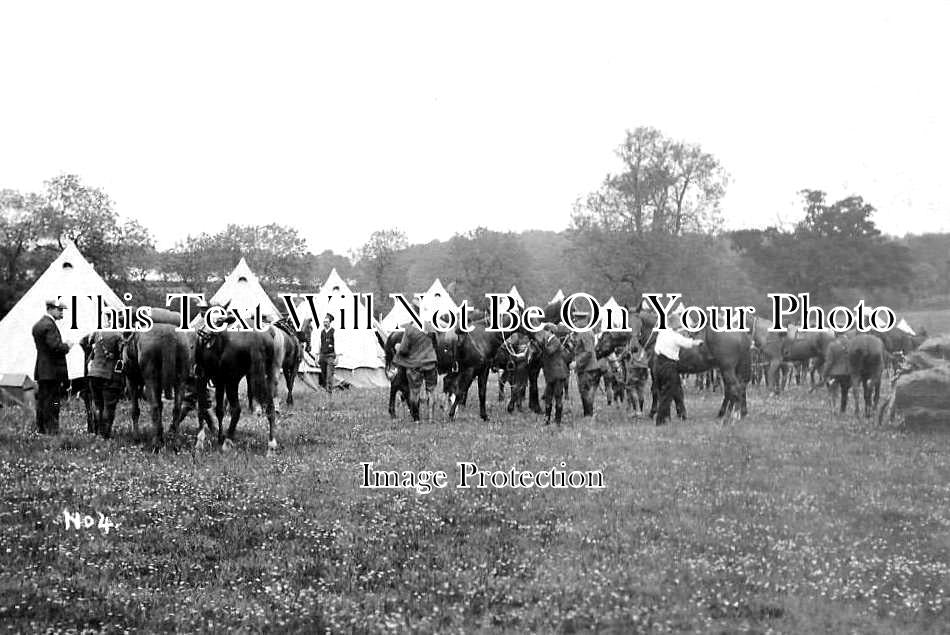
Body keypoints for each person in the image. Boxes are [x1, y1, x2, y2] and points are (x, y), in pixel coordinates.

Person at [654, 311, 704, 426]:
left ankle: (666, 417)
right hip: (669, 366)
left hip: (659, 365)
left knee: (663, 392)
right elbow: (686, 343)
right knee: (667, 394)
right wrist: (697, 342)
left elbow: (657, 349)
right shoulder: (675, 336)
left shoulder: (662, 333)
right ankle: (660, 420)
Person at [32, 298, 73, 434]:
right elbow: (55, 347)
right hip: (52, 371)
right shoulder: (49, 325)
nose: (62, 313)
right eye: (59, 310)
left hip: (42, 369)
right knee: (53, 402)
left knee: (42, 401)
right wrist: (67, 346)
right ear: (50, 309)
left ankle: (41, 429)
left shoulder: (38, 325)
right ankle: (52, 431)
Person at [393, 299, 438, 422]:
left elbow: (403, 350)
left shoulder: (410, 329)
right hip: (430, 363)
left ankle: (417, 420)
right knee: (431, 391)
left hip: (415, 365)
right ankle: (431, 419)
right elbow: (435, 345)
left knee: (414, 392)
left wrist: (397, 347)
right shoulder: (430, 327)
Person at [84, 313, 125, 438]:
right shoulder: (118, 335)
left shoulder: (98, 333)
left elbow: (86, 345)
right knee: (109, 406)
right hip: (109, 375)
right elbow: (122, 355)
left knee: (98, 405)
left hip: (94, 374)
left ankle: (97, 432)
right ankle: (105, 435)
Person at [536, 323, 572, 425]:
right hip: (551, 374)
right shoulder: (548, 341)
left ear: (550, 331)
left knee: (558, 396)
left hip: (558, 373)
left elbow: (549, 351)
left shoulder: (555, 341)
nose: (544, 333)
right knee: (548, 397)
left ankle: (557, 420)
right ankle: (547, 419)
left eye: (545, 331)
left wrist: (541, 343)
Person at [318, 314, 336, 394]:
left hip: (330, 355)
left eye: (327, 322)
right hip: (322, 355)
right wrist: (317, 356)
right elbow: (319, 344)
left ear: (330, 323)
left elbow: (337, 343)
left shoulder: (333, 331)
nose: (325, 323)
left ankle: (329, 392)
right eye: (324, 322)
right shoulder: (322, 332)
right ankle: (326, 389)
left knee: (329, 375)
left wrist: (337, 356)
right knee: (324, 374)